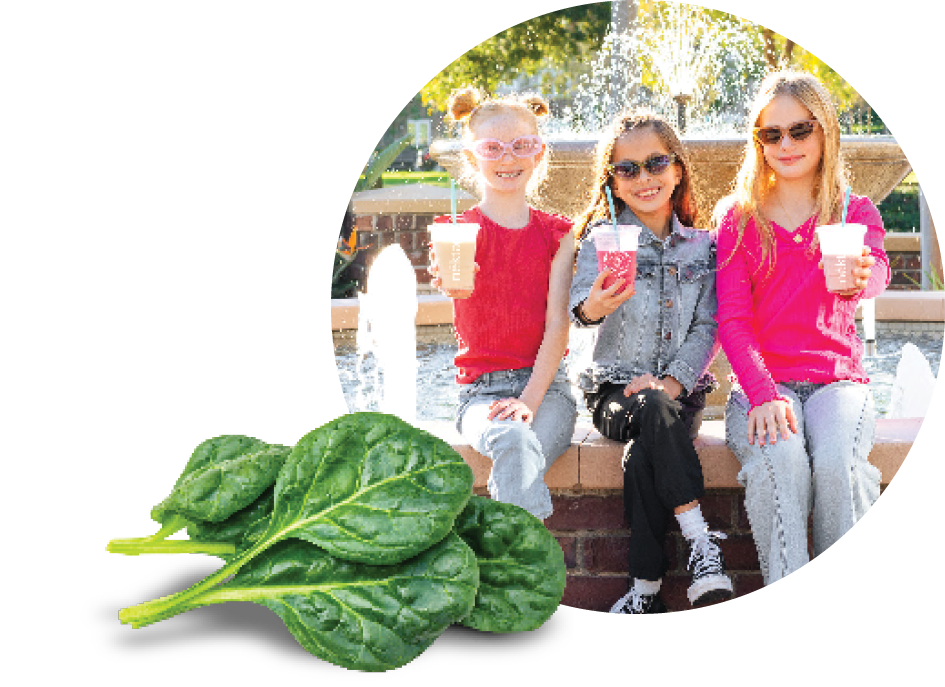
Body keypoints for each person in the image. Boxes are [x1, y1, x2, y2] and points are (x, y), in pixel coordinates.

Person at [714, 70, 890, 586]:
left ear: (826, 132)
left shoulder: (854, 211)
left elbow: (875, 270)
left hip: (838, 381)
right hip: (764, 386)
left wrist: (860, 278)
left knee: (838, 464)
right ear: (758, 142)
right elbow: (733, 322)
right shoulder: (739, 220)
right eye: (771, 134)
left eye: (800, 130)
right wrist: (764, 394)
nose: (785, 144)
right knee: (781, 461)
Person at [569, 111, 731, 614]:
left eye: (656, 163)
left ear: (678, 169)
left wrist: (670, 383)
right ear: (613, 182)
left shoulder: (703, 248)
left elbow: (709, 327)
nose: (644, 178)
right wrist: (594, 307)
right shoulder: (602, 240)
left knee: (644, 454)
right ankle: (701, 541)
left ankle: (644, 593)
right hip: (613, 397)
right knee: (646, 414)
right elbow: (578, 311)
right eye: (628, 169)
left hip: (676, 397)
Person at [428, 86, 577, 522]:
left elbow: (557, 327)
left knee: (520, 440)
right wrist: (449, 282)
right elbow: (449, 281)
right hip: (479, 395)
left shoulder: (557, 234)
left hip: (548, 391)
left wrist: (529, 400)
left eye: (521, 146)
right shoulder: (456, 229)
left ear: (538, 153)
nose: (508, 158)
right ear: (473, 158)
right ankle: (526, 564)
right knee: (511, 440)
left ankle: (507, 560)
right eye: (493, 148)